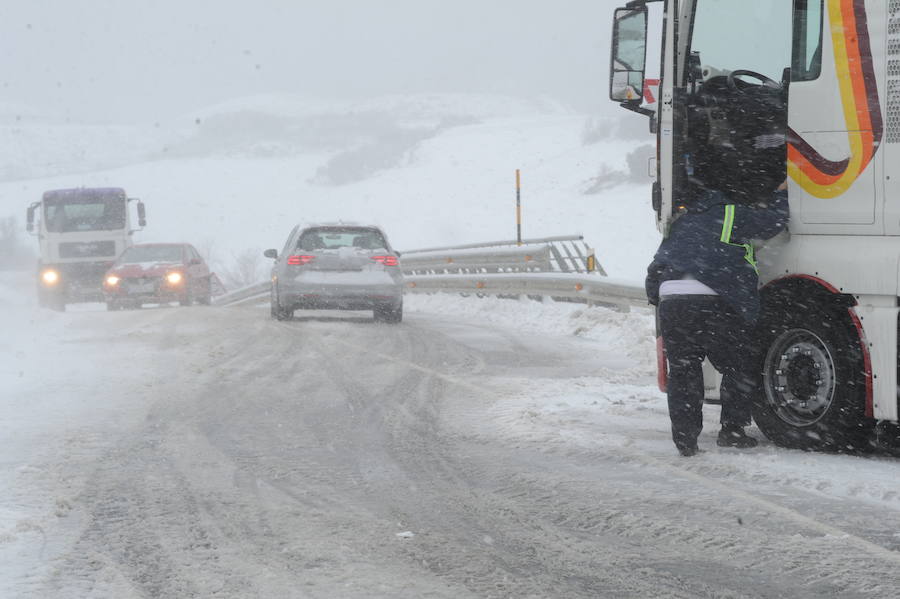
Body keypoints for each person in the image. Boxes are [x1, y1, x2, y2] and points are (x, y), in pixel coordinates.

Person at [646, 183, 790, 456]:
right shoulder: (732, 213)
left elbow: (655, 269)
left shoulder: (682, 220)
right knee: (738, 365)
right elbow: (773, 222)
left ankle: (685, 440)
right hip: (713, 300)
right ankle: (732, 430)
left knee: (683, 369)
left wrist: (659, 299)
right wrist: (782, 193)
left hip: (673, 300)